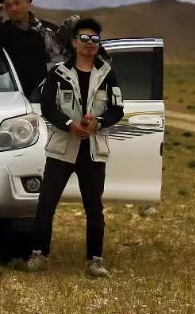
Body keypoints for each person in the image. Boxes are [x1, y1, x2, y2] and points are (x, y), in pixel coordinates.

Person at [27, 16, 124, 277]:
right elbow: (48, 107)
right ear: (74, 41)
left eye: (95, 39)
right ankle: (39, 253)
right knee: (47, 203)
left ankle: (95, 260)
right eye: (84, 38)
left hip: (93, 149)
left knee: (94, 207)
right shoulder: (58, 73)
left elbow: (117, 109)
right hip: (62, 147)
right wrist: (70, 124)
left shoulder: (107, 74)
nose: (90, 43)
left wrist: (98, 122)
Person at [0, 0, 63, 102]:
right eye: (8, 5)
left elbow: (59, 63)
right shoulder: (3, 31)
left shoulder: (46, 30)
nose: (14, 8)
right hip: (11, 98)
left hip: (43, 98)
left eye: (17, 3)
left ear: (28, 2)